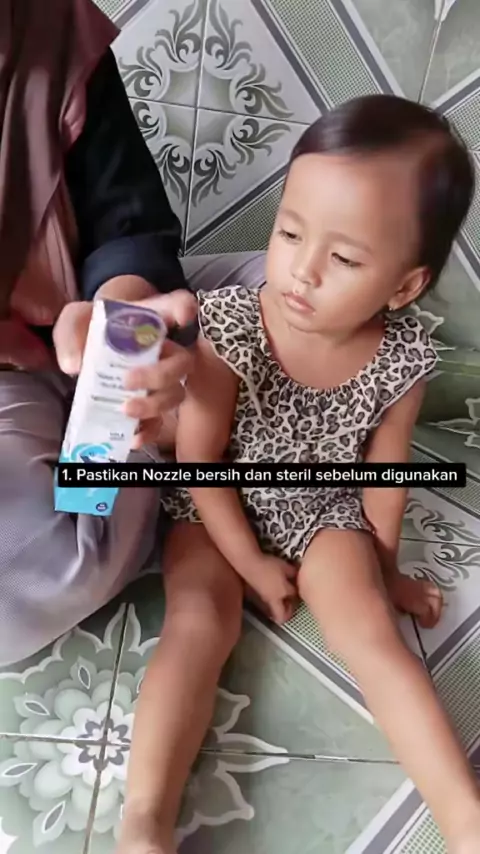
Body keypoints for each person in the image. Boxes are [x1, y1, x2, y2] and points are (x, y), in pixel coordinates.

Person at [117, 95, 480, 854]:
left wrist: (387, 571)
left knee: (371, 631)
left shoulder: (403, 360)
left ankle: (465, 817)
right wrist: (249, 562)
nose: (302, 271)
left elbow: (384, 475)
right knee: (199, 621)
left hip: (320, 507)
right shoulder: (230, 326)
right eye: (289, 233)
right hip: (212, 505)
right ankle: (144, 822)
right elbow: (200, 461)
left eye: (344, 259)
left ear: (404, 286)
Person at [0, 0, 197, 666]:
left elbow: (127, 223)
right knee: (34, 574)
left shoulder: (48, 26)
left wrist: (122, 326)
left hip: (84, 322)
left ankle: (161, 431)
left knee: (304, 308)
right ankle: (170, 448)